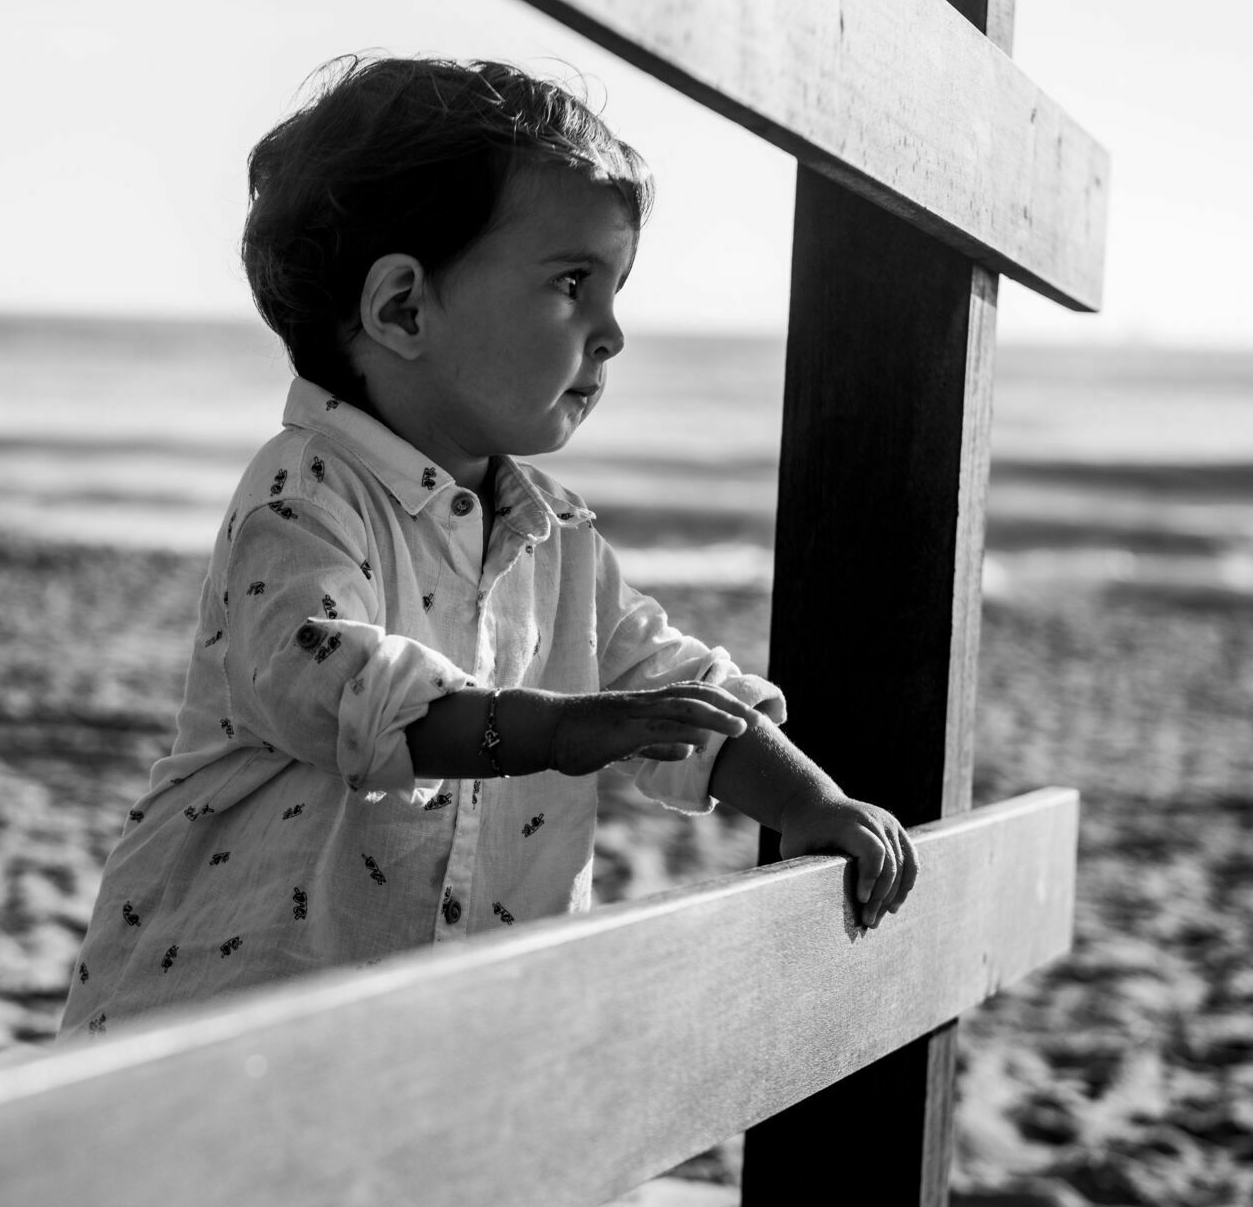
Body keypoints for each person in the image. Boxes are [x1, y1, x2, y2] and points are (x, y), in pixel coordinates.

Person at [59, 56, 918, 1039]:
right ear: (403, 309)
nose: (613, 333)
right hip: (216, 1032)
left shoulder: (557, 538)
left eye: (614, 288)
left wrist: (808, 800)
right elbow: (338, 685)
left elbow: (675, 691)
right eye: (570, 282)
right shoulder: (304, 490)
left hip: (439, 1042)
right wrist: (558, 729)